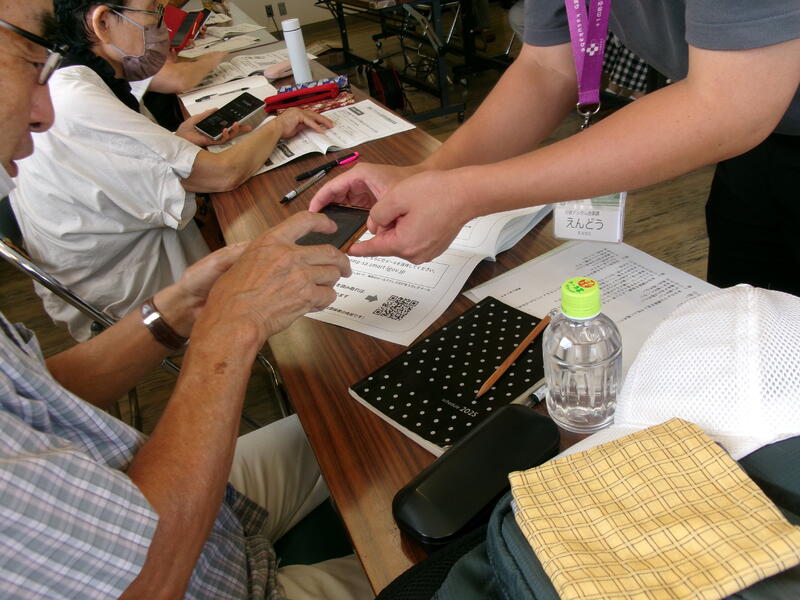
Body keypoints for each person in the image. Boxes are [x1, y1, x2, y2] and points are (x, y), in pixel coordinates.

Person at [0, 2, 373, 597]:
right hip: (197, 571)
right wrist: (228, 330)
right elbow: (144, 581)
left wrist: (174, 312)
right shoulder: (77, 95)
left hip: (157, 501)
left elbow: (34, 396)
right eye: (30, 62)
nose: (44, 114)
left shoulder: (87, 89)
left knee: (359, 417)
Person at [311, 1, 800, 296]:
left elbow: (726, 104)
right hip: (761, 144)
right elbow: (548, 68)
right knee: (746, 316)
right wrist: (429, 173)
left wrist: (465, 193)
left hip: (754, 112)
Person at [11, 0, 332, 340]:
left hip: (117, 263)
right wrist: (279, 125)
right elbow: (224, 174)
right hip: (132, 296)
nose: (164, 28)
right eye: (154, 12)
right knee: (291, 235)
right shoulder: (76, 99)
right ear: (103, 23)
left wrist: (177, 140)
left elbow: (120, 168)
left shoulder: (84, 79)